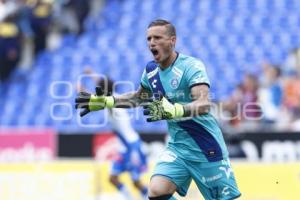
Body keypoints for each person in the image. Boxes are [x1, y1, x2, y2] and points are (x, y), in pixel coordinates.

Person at [75, 19, 241, 200]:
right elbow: (139, 97)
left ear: (172, 41)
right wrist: (107, 101)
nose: (151, 43)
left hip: (205, 146)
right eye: (148, 39)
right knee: (155, 192)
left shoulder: (191, 66)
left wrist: (176, 110)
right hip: (177, 148)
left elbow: (203, 103)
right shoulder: (151, 71)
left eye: (157, 37)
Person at [77, 68, 148, 200]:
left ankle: (148, 197)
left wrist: (82, 89)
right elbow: (104, 84)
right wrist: (91, 74)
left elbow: (98, 95)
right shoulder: (114, 95)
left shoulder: (111, 101)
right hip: (124, 147)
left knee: (136, 182)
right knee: (113, 178)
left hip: (131, 146)